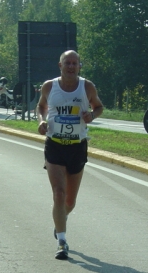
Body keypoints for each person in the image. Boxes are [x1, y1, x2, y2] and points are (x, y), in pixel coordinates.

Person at [37, 50, 104, 260]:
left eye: (75, 63)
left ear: (79, 66)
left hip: (77, 146)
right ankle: (62, 242)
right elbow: (41, 106)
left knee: (70, 201)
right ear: (60, 65)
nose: (71, 66)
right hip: (55, 144)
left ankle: (60, 220)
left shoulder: (87, 87)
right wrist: (41, 120)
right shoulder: (49, 86)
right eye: (68, 63)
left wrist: (91, 115)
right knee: (59, 193)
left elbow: (99, 107)